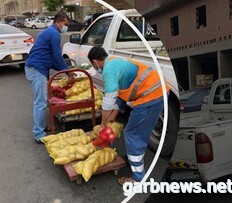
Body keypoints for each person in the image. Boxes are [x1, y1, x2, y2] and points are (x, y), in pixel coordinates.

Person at [87, 47, 169, 185]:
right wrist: (111, 118)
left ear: (95, 62)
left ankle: (138, 179)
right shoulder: (115, 62)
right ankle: (133, 156)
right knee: (138, 133)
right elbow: (122, 96)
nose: (95, 68)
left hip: (151, 96)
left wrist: (103, 125)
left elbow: (109, 100)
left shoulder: (108, 70)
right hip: (158, 90)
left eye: (93, 65)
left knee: (133, 134)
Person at [25, 12, 75, 144]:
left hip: (37, 67)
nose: (66, 27)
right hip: (37, 68)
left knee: (42, 100)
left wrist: (64, 70)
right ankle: (39, 134)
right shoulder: (54, 33)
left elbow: (52, 59)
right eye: (65, 24)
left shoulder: (48, 32)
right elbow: (57, 56)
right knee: (40, 102)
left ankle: (41, 127)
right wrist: (68, 72)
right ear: (58, 22)